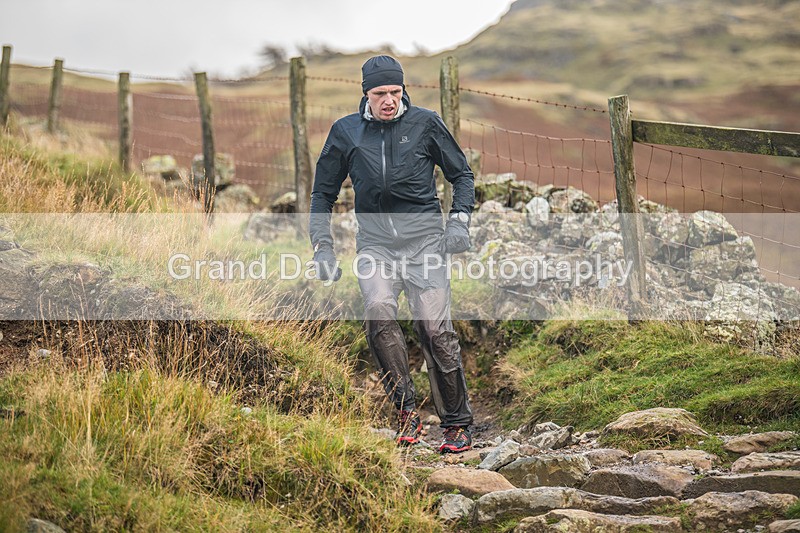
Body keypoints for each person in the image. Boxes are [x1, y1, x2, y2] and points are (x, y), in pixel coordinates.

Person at [309, 55, 475, 453]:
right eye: (381, 93)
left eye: (395, 92)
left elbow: (462, 175)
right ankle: (406, 412)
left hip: (425, 243)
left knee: (434, 330)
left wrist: (459, 223)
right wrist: (322, 247)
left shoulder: (425, 123)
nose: (389, 100)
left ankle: (457, 424)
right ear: (366, 93)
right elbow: (322, 194)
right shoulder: (346, 132)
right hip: (375, 245)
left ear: (403, 91)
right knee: (379, 312)